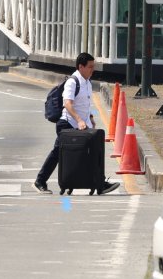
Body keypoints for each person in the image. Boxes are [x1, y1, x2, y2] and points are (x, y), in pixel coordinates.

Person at [33, 52, 120, 195]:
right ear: (81, 67)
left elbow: (84, 103)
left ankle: (100, 183)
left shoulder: (87, 82)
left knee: (92, 152)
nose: (92, 69)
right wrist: (79, 120)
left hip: (81, 125)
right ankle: (40, 181)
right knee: (58, 153)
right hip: (67, 124)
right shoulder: (72, 82)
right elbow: (68, 104)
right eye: (90, 67)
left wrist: (90, 118)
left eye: (93, 66)